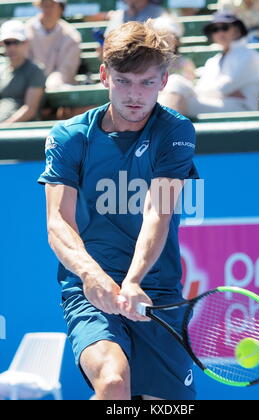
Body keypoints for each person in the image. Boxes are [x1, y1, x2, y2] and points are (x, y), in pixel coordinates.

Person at [38, 20, 199, 400]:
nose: (134, 94)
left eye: (146, 82)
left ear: (163, 81)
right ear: (104, 75)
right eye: (124, 80)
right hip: (88, 288)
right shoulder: (70, 137)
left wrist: (134, 280)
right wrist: (93, 276)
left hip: (154, 292)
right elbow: (57, 221)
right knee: (113, 384)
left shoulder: (175, 131)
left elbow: (157, 212)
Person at [159, 12, 259, 117]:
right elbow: (213, 90)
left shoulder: (248, 55)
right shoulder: (213, 61)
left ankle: (162, 133)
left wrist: (206, 92)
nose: (220, 33)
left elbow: (222, 88)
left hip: (242, 108)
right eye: (215, 29)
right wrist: (218, 93)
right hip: (219, 103)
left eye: (224, 27)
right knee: (175, 83)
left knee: (177, 91)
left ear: (237, 31)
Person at [25, 0, 81, 90]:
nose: (48, 8)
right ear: (39, 6)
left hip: (59, 89)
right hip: (30, 88)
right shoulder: (26, 31)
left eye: (52, 5)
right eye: (45, 4)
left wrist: (51, 84)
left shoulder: (72, 36)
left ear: (61, 8)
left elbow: (66, 71)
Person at [0, 20, 46, 124]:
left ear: (26, 43)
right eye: (8, 43)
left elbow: (30, 109)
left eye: (16, 42)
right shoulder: (2, 69)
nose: (12, 47)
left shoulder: (35, 70)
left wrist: (5, 126)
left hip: (20, 132)